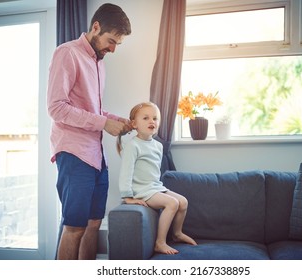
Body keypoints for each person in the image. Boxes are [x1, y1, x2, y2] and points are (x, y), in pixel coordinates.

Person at [47, 3, 132, 260]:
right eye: (110, 41)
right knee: (74, 227)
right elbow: (57, 108)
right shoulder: (67, 53)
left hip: (96, 156)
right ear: (95, 27)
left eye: (118, 43)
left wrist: (117, 120)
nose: (113, 49)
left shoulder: (98, 62)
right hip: (73, 154)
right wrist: (103, 123)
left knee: (94, 224)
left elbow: (93, 109)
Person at [117, 102, 197, 255]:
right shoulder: (133, 146)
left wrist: (159, 189)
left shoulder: (158, 146)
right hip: (142, 189)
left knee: (183, 202)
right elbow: (126, 173)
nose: (151, 121)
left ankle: (177, 233)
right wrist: (127, 196)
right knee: (172, 204)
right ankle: (160, 242)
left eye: (155, 118)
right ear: (134, 124)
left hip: (155, 187)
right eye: (146, 118)